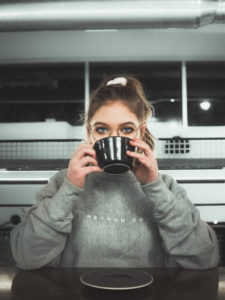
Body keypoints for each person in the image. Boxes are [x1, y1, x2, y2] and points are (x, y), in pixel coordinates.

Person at [10, 76, 219, 270]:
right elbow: (26, 257)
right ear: (89, 132)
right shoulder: (62, 182)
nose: (114, 138)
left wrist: (154, 186)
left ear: (141, 132)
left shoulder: (164, 185)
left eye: (127, 129)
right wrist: (70, 188)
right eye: (101, 129)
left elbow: (204, 258)